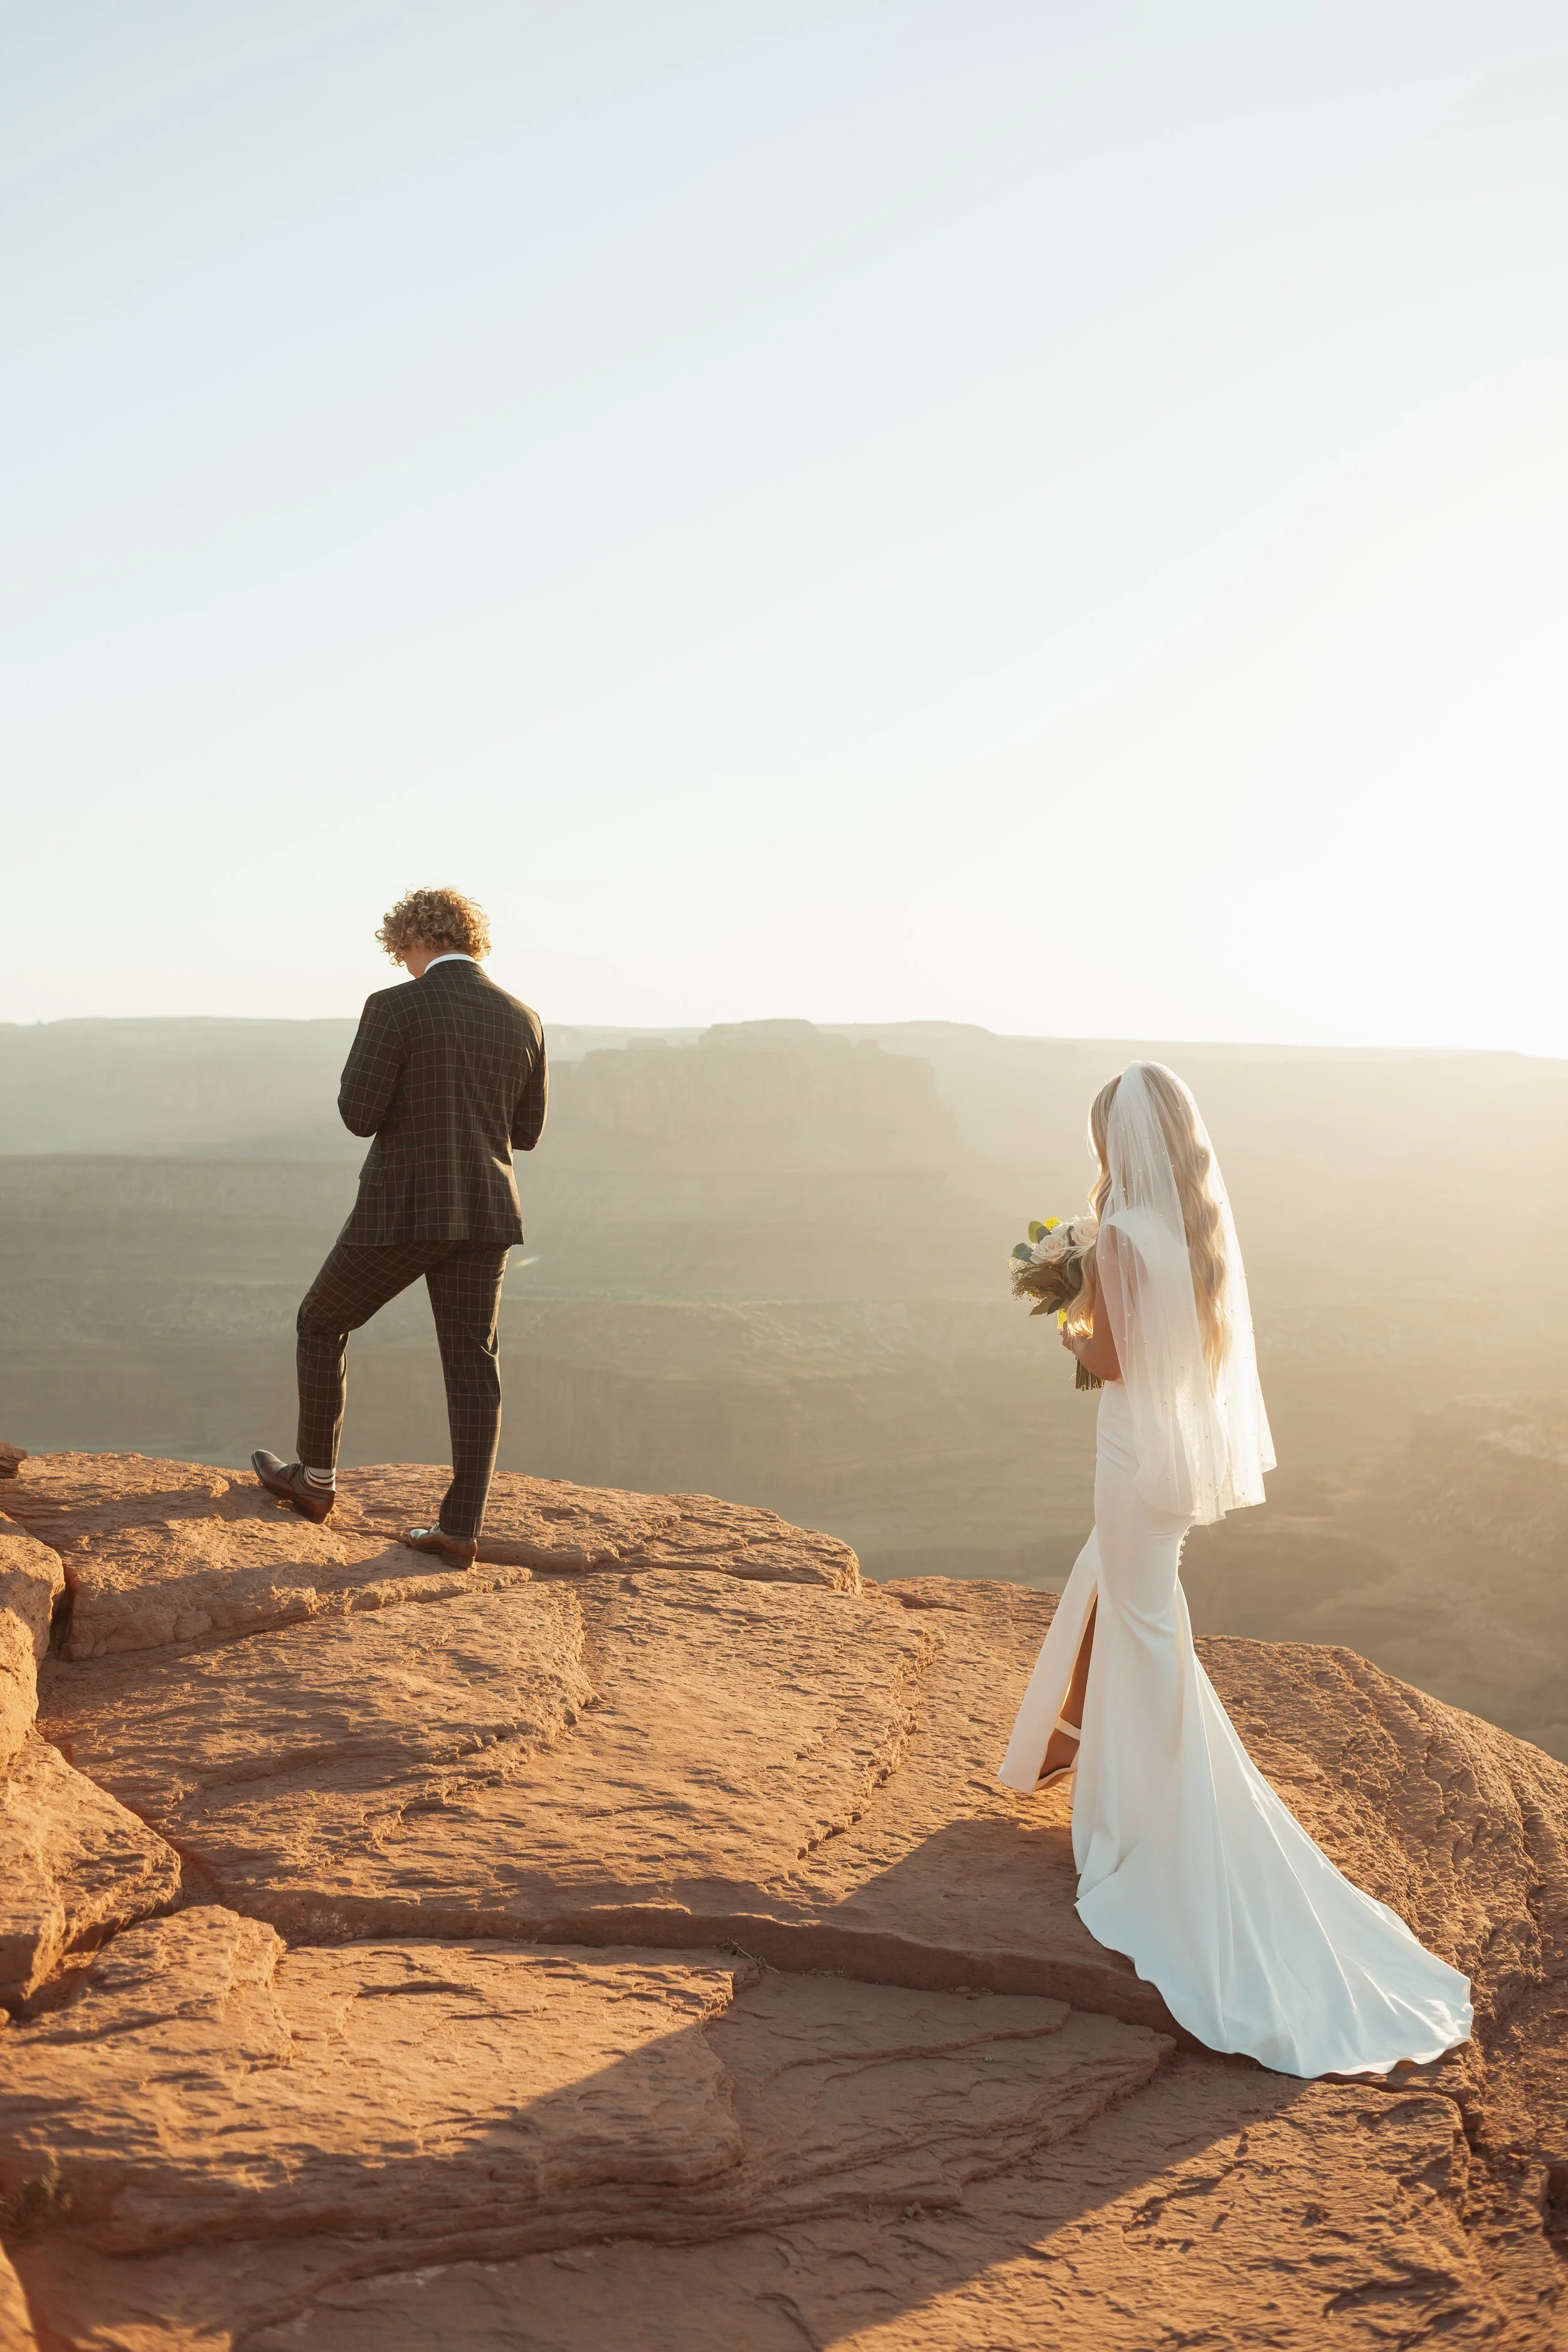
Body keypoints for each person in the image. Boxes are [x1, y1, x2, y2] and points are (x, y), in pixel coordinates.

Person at [998, 1061, 1473, 2079]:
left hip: (1133, 1457)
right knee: (1135, 1610)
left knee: (1141, 1624)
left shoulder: (1122, 1237)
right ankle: (1083, 1758)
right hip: (1167, 1469)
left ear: (1117, 1143)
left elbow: (1113, 1363)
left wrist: (1067, 1304)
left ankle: (1157, 1823)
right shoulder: (1190, 1236)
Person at [252, 886, 546, 1564]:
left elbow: (359, 1112)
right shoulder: (523, 1017)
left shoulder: (394, 1007)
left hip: (404, 1208)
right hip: (487, 1211)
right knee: (475, 1368)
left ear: (410, 941)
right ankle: (460, 1530)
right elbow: (525, 1132)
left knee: (321, 1321)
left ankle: (316, 1482)